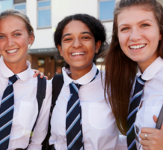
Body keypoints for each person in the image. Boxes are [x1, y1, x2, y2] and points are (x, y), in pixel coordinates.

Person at [104, 0, 163, 150]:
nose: (134, 36)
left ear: (160, 32)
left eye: (144, 25)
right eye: (125, 28)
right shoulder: (135, 83)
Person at [0, 9, 52, 150]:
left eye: (17, 34)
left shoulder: (43, 86)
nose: (9, 43)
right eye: (2, 37)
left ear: (31, 38)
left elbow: (36, 141)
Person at [49, 14, 125, 150]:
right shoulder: (50, 87)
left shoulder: (115, 85)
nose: (77, 44)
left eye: (85, 37)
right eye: (68, 39)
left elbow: (132, 135)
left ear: (97, 46)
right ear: (60, 49)